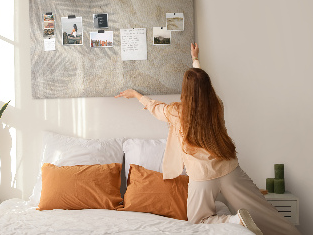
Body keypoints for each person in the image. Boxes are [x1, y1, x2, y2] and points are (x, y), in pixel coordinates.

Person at [115, 43, 300, 235]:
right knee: (262, 212)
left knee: (197, 222)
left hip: (202, 177)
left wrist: (136, 94)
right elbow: (200, 85)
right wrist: (195, 60)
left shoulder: (177, 112)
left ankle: (234, 221)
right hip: (229, 169)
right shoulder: (216, 105)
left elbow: (156, 108)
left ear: (185, 90)